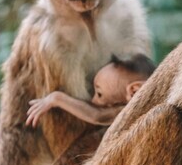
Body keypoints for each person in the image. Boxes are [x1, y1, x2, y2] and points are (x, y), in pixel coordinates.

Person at [26, 53, 155, 128]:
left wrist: (56, 98)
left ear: (134, 92)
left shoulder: (132, 110)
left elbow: (96, 115)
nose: (93, 101)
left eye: (99, 94)